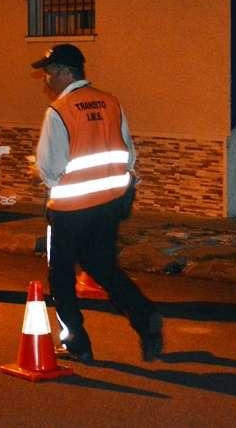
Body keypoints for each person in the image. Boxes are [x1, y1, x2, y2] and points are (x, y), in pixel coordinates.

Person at [29, 43, 163, 362]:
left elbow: (50, 169)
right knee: (102, 267)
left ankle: (77, 344)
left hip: (69, 209)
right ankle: (145, 316)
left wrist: (37, 172)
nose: (46, 80)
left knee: (60, 276)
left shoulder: (59, 111)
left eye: (49, 73)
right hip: (108, 204)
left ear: (65, 72)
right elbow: (128, 155)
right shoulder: (110, 102)